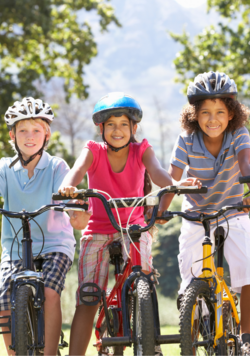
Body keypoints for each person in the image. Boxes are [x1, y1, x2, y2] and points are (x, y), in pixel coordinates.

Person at [58, 92, 196, 356]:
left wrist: (175, 185)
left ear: (134, 127)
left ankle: (149, 342)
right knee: (88, 297)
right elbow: (76, 170)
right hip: (97, 229)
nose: (117, 130)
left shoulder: (141, 149)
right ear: (101, 129)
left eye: (123, 124)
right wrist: (69, 185)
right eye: (110, 124)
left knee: (143, 279)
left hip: (132, 229)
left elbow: (157, 172)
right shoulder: (94, 151)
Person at [0, 97, 85, 356]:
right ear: (12, 135)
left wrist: (74, 207)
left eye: (36, 130)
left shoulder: (57, 166)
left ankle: (48, 353)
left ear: (46, 134)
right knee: (3, 305)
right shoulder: (5, 167)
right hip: (15, 248)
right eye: (22, 130)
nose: (29, 136)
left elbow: (67, 194)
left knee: (49, 292)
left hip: (55, 244)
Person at [168, 71, 250, 356]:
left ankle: (247, 340)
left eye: (220, 112)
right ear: (193, 115)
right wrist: (158, 213)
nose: (213, 119)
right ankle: (192, 344)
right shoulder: (186, 139)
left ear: (232, 113)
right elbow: (170, 179)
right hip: (196, 215)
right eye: (205, 112)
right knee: (191, 283)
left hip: (233, 211)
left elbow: (246, 165)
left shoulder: (238, 134)